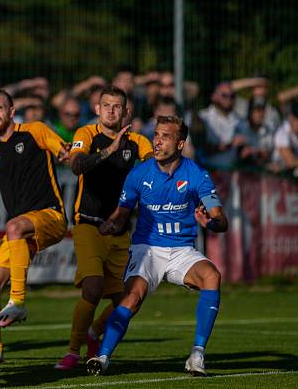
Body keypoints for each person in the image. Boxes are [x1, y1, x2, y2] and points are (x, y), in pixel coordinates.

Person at [87, 115, 228, 377]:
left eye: (165, 136)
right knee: (131, 298)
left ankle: (197, 355)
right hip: (146, 249)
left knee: (212, 276)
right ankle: (103, 357)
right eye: (156, 135)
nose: (158, 141)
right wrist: (111, 224)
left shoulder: (196, 174)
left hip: (182, 250)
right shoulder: (139, 174)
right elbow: (122, 213)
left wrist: (211, 223)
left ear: (180, 143)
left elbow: (220, 219)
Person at [0, 90, 70, 366]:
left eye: (0, 108)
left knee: (13, 226)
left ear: (12, 112)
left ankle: (18, 302)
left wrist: (71, 154)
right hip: (22, 231)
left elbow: (63, 151)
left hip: (51, 217)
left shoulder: (34, 131)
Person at [55, 86, 152, 370]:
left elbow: (154, 168)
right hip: (88, 225)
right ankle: (73, 351)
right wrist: (110, 149)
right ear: (97, 109)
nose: (111, 110)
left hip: (120, 231)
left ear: (126, 112)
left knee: (128, 299)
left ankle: (93, 332)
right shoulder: (86, 134)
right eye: (106, 105)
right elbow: (76, 165)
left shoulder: (137, 141)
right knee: (93, 287)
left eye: (117, 106)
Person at [198, 82, 246, 170]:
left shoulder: (240, 121)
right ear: (214, 96)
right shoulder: (203, 118)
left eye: (232, 96)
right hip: (208, 172)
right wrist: (230, 145)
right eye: (224, 95)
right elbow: (201, 150)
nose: (229, 99)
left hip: (230, 174)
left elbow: (241, 154)